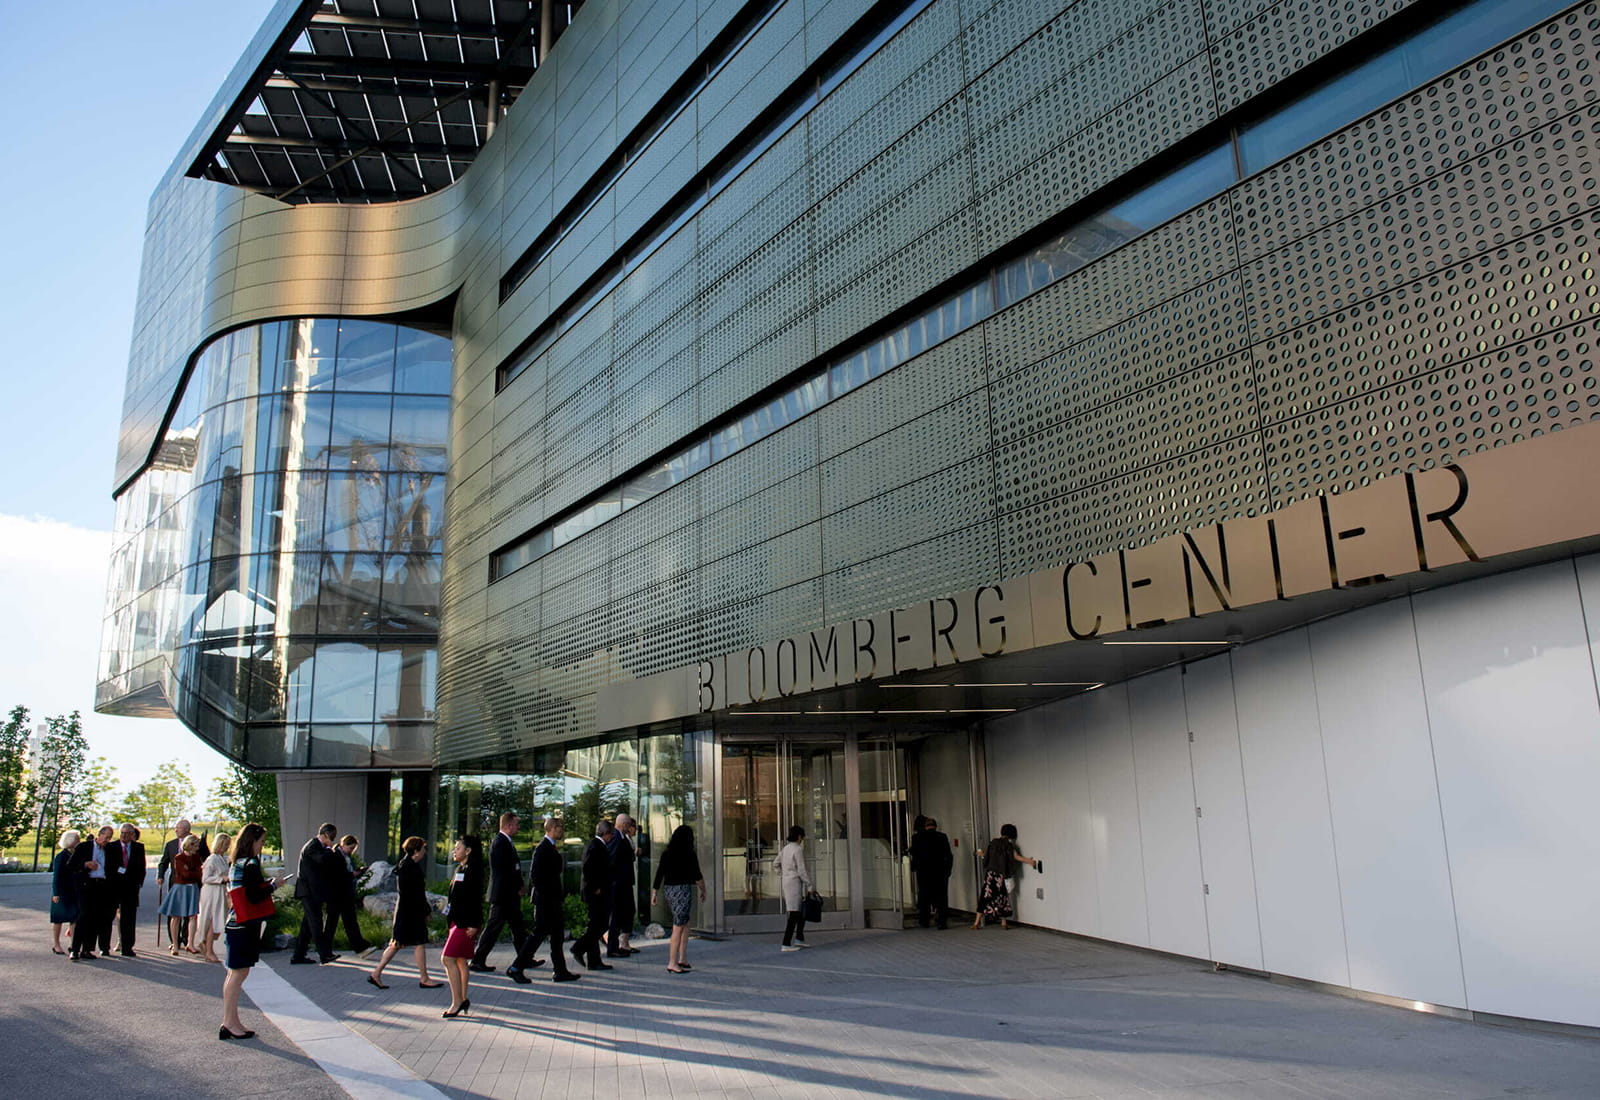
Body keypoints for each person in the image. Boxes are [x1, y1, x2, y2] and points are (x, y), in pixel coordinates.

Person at [221, 822, 286, 1039]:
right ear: (252, 841)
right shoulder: (249, 863)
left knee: (236, 972)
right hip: (244, 925)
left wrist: (266, 884)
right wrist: (274, 886)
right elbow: (254, 895)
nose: (262, 846)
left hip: (236, 924)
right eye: (261, 842)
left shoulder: (237, 862)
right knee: (238, 973)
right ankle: (229, 1022)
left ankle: (231, 1020)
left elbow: (247, 890)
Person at [506, 817, 579, 984]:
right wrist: (546, 898)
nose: (562, 830)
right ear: (552, 828)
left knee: (557, 936)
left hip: (552, 900)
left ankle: (560, 970)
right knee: (538, 935)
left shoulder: (551, 848)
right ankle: (516, 967)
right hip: (546, 902)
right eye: (560, 827)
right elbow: (536, 876)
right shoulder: (543, 848)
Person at [368, 836, 441, 989]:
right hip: (411, 912)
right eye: (423, 849)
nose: (424, 852)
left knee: (397, 943)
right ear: (416, 851)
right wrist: (425, 910)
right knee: (418, 942)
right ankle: (424, 978)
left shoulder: (405, 865)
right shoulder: (410, 868)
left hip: (405, 912)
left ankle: (376, 973)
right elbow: (416, 893)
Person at [471, 811, 532, 973]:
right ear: (508, 825)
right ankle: (478, 960)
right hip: (503, 895)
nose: (518, 827)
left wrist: (519, 886)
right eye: (516, 824)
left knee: (518, 927)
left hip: (509, 895)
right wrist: (516, 887)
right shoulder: (500, 843)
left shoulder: (506, 842)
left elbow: (513, 868)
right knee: (493, 927)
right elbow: (504, 872)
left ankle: (525, 957)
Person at [651, 824, 705, 974]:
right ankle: (673, 962)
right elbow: (697, 875)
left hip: (670, 890)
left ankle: (682, 958)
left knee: (684, 923)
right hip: (683, 890)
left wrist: (654, 893)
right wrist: (703, 890)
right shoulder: (689, 853)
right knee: (679, 926)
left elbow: (659, 873)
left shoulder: (666, 853)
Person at [441, 835, 484, 1018]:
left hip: (466, 923)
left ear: (468, 851)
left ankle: (457, 1001)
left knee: (447, 959)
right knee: (459, 961)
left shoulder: (474, 870)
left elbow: (475, 899)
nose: (454, 851)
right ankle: (463, 998)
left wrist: (475, 924)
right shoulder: (460, 868)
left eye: (458, 848)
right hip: (456, 920)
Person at [291, 822, 342, 965]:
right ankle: (324, 954)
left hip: (313, 891)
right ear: (325, 834)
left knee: (308, 924)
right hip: (308, 891)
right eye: (331, 838)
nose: (331, 841)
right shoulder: (313, 846)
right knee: (316, 922)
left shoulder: (317, 847)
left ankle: (298, 955)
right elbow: (321, 860)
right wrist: (331, 851)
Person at [973, 823, 1038, 930]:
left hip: (990, 874)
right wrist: (1030, 861)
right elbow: (1016, 857)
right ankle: (1003, 923)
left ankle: (976, 923)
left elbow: (987, 855)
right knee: (1002, 897)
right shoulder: (1008, 845)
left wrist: (980, 854)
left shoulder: (993, 842)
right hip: (1001, 875)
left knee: (985, 896)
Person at [158, 818, 209, 948]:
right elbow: (164, 862)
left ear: (186, 829)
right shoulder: (171, 845)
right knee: (174, 913)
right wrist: (160, 875)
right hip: (176, 882)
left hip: (193, 884)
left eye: (178, 828)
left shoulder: (198, 844)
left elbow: (204, 861)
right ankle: (174, 941)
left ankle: (187, 940)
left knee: (190, 914)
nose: (176, 830)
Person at [571, 820, 614, 971]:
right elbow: (588, 868)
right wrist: (595, 887)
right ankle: (578, 947)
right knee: (600, 924)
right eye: (611, 834)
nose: (612, 837)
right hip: (596, 893)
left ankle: (594, 960)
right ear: (606, 833)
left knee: (595, 925)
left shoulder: (598, 845)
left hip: (599, 891)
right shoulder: (595, 846)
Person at [67, 825, 114, 960]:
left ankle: (87, 949)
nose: (107, 841)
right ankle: (75, 949)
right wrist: (85, 864)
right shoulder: (84, 847)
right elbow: (71, 865)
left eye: (109, 839)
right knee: (83, 916)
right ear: (99, 835)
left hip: (102, 885)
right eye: (106, 838)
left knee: (95, 918)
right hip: (87, 884)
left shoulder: (109, 849)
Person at [330, 834, 373, 956]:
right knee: (333, 922)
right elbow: (337, 874)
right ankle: (325, 948)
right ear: (343, 845)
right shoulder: (336, 855)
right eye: (350, 848)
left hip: (347, 892)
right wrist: (352, 874)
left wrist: (357, 872)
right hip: (338, 893)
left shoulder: (347, 857)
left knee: (350, 920)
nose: (351, 851)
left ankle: (360, 946)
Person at [108, 822, 147, 956]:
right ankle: (104, 946)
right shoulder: (112, 846)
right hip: (114, 887)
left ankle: (127, 947)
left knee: (129, 918)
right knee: (109, 916)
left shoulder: (138, 847)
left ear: (132, 835)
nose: (124, 836)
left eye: (127, 833)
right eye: (122, 833)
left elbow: (142, 867)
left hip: (131, 888)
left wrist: (138, 883)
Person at [909, 815, 954, 930]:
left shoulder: (917, 837)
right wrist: (948, 870)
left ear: (925, 826)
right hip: (940, 872)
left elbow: (914, 854)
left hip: (923, 872)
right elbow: (948, 855)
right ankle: (942, 922)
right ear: (935, 826)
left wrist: (914, 867)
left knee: (924, 895)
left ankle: (924, 920)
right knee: (942, 897)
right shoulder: (942, 837)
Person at [605, 812, 639, 958]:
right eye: (628, 825)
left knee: (626, 912)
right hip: (618, 883)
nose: (629, 828)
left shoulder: (622, 838)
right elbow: (612, 859)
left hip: (622, 882)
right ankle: (612, 946)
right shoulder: (616, 838)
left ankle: (619, 944)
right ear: (623, 824)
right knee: (616, 915)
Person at [197, 833, 234, 963]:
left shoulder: (223, 858)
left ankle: (207, 946)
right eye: (225, 845)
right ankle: (208, 950)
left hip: (220, 891)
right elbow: (205, 878)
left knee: (218, 919)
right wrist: (221, 879)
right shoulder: (212, 859)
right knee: (212, 919)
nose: (227, 847)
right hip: (211, 892)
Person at [776, 824, 813, 952]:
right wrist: (809, 884)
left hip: (787, 881)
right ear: (799, 837)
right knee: (794, 912)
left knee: (799, 911)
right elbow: (801, 869)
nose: (802, 839)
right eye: (802, 837)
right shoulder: (797, 849)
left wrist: (783, 874)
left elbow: (776, 863)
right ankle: (786, 943)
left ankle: (799, 938)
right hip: (794, 883)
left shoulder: (785, 848)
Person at [49, 829, 81, 955]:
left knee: (74, 917)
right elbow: (56, 877)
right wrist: (56, 893)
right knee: (58, 919)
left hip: (74, 891)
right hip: (62, 892)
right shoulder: (60, 856)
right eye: (77, 839)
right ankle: (56, 944)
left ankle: (73, 944)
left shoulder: (77, 854)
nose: (79, 841)